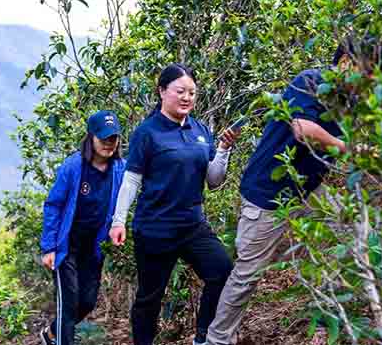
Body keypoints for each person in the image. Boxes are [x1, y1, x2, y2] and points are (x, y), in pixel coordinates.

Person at [206, 39, 382, 345]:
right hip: (268, 193)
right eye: (368, 71)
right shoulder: (311, 81)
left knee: (349, 231)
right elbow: (302, 129)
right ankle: (217, 339)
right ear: (345, 64)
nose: (372, 79)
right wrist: (349, 149)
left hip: (307, 189)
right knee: (247, 275)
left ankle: (330, 322)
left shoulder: (348, 102)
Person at [109, 63, 241, 345]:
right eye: (180, 91)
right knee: (150, 298)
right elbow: (131, 181)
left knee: (222, 272)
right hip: (155, 229)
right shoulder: (147, 132)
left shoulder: (200, 129)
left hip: (193, 225)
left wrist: (224, 149)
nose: (187, 98)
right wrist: (118, 221)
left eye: (192, 93)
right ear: (162, 92)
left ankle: (203, 338)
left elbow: (214, 180)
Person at [39, 110, 126, 345]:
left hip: (93, 248)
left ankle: (51, 334)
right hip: (66, 246)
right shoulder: (73, 166)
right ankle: (60, 338)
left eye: (113, 138)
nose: (109, 144)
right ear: (91, 138)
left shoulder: (119, 169)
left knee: (86, 302)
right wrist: (48, 247)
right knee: (68, 305)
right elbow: (53, 206)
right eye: (104, 138)